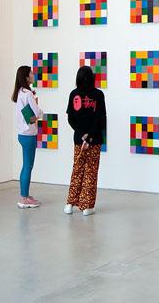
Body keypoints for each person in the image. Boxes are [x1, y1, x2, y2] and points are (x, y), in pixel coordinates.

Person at [64, 66, 106, 216]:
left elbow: (70, 118)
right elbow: (100, 119)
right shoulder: (98, 94)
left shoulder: (74, 94)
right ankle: (86, 207)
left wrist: (82, 135)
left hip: (79, 140)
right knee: (91, 172)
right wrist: (90, 137)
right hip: (93, 140)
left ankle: (70, 204)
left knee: (77, 170)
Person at [12, 65, 42, 209]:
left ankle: (25, 195)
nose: (33, 74)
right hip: (29, 134)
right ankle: (24, 198)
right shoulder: (28, 94)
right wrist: (39, 110)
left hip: (21, 134)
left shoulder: (20, 92)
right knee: (28, 166)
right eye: (31, 72)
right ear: (26, 77)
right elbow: (37, 113)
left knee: (26, 166)